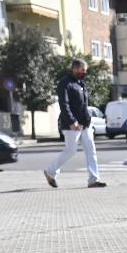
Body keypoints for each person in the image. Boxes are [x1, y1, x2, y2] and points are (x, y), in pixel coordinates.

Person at [44, 59, 105, 189]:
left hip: (85, 123)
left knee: (91, 150)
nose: (84, 73)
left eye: (85, 71)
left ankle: (93, 180)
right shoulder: (65, 83)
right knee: (70, 151)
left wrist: (88, 120)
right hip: (72, 124)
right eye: (83, 70)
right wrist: (72, 121)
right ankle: (50, 172)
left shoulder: (80, 83)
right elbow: (64, 104)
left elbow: (84, 105)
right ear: (75, 68)